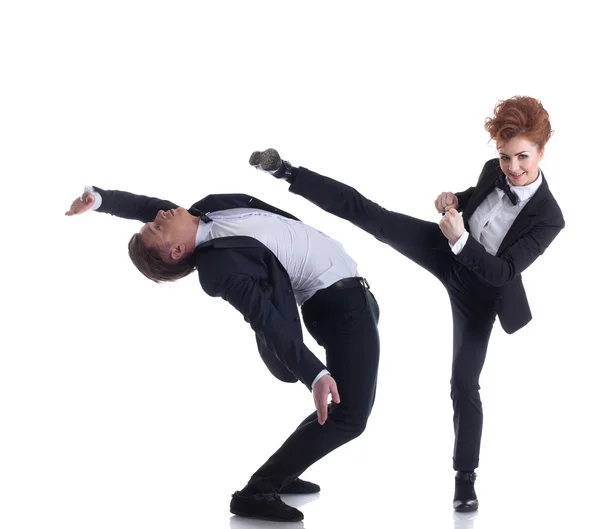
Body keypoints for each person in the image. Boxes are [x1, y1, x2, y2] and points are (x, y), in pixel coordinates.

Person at [249, 95, 565, 512]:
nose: (513, 168)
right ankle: (285, 170)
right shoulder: (495, 171)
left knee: (463, 384)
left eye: (522, 157)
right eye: (506, 157)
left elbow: (503, 272)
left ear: (542, 151)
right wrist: (454, 200)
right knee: (373, 216)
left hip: (481, 294)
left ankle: (465, 480)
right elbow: (478, 198)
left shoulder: (549, 217)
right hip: (446, 249)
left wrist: (460, 239)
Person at [65, 187, 380, 522]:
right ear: (177, 251)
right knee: (349, 418)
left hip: (352, 298)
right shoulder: (220, 267)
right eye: (156, 227)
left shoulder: (207, 212)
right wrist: (315, 373)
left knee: (342, 413)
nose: (158, 216)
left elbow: (147, 206)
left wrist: (100, 200)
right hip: (338, 306)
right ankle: (256, 493)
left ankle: (278, 475)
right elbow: (266, 320)